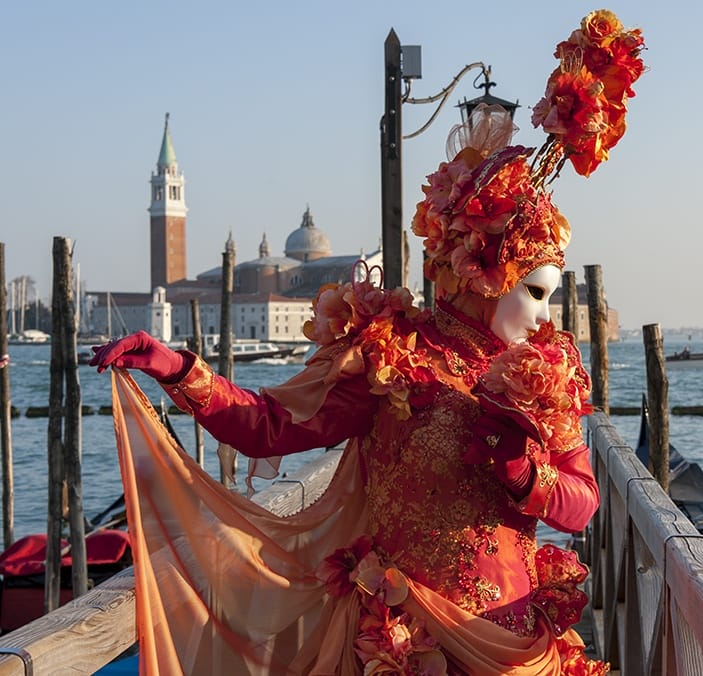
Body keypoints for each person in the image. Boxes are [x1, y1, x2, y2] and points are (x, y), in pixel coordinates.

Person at [92, 10, 643, 674]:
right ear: (479, 273)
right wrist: (180, 369)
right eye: (531, 290)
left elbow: (581, 505)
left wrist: (530, 477)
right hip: (406, 642)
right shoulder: (392, 355)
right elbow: (270, 428)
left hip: (513, 639)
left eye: (549, 294)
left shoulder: (544, 372)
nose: (541, 314)